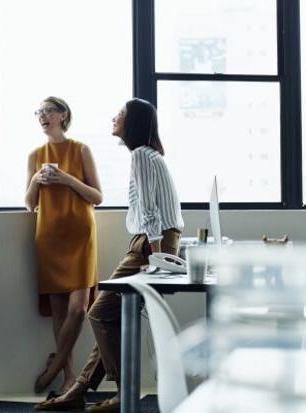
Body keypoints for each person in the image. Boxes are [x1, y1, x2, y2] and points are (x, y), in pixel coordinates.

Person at [35, 98, 184, 413]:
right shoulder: (149, 155)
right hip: (152, 242)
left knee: (99, 312)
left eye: (120, 114)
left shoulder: (142, 156)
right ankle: (78, 392)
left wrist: (155, 259)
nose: (114, 117)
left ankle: (122, 394)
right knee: (112, 315)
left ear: (132, 123)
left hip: (149, 245)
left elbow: (150, 212)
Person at [25, 97, 103, 396]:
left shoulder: (81, 149)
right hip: (49, 238)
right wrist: (36, 180)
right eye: (39, 112)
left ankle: (54, 366)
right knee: (58, 314)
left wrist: (66, 179)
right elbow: (30, 205)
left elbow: (97, 197)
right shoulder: (35, 155)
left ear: (62, 115)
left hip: (81, 237)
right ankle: (68, 377)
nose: (42, 116)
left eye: (48, 111)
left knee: (78, 310)